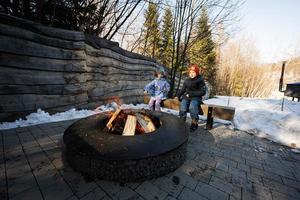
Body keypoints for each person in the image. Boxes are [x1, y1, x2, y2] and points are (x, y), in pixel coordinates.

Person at [175, 64, 206, 131]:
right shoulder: (187, 80)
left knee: (192, 107)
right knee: (183, 106)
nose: (192, 74)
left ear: (197, 73)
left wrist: (191, 94)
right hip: (187, 97)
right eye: (190, 72)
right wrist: (178, 96)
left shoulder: (200, 80)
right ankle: (182, 122)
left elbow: (203, 92)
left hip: (196, 97)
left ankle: (194, 123)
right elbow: (183, 90)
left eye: (194, 72)